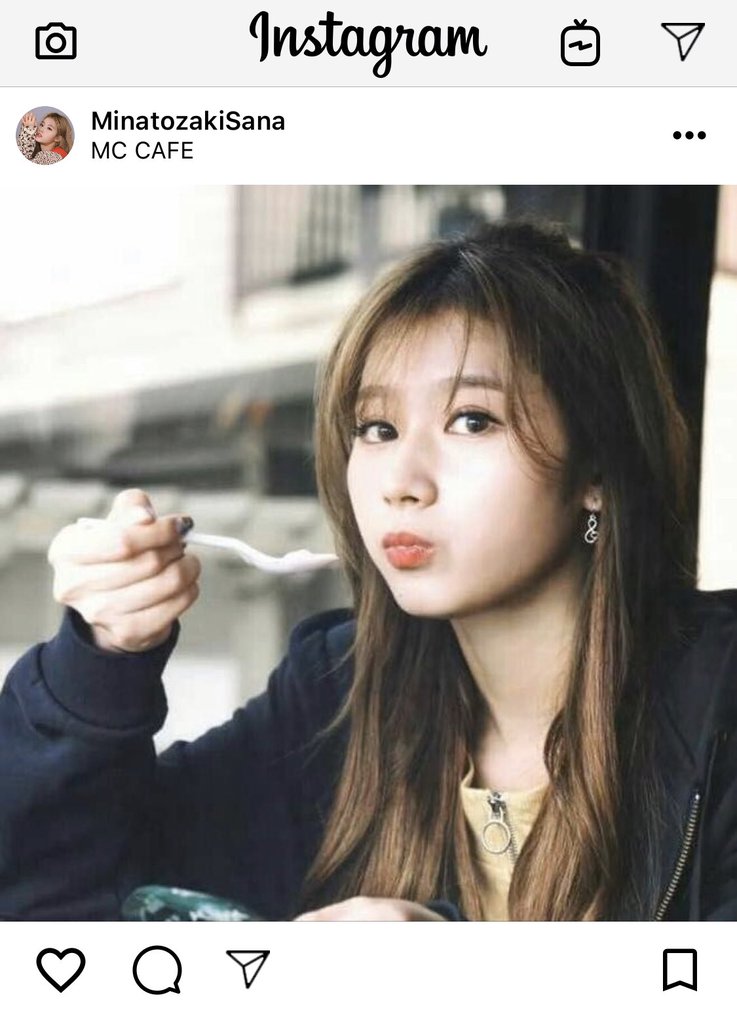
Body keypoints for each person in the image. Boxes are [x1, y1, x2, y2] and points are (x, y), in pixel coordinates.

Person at [1, 221, 736, 922]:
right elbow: (60, 903)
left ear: (596, 469)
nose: (401, 483)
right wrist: (101, 665)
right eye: (377, 429)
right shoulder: (337, 700)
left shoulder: (718, 708)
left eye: (472, 420)